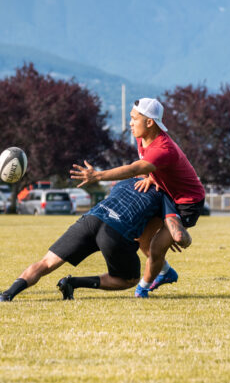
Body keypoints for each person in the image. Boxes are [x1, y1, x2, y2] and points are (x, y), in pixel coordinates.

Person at [70, 97, 205, 298]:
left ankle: (142, 289)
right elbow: (149, 166)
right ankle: (166, 272)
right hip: (166, 195)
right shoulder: (142, 137)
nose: (130, 123)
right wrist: (152, 177)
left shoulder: (163, 148)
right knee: (142, 239)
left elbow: (136, 167)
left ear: (149, 122)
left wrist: (98, 175)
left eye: (134, 118)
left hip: (187, 203)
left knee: (157, 247)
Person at [0, 178, 187, 301]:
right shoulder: (163, 195)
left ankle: (8, 294)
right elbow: (170, 225)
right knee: (129, 279)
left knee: (46, 262)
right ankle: (73, 282)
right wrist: (172, 237)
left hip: (90, 219)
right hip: (116, 230)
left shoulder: (125, 181)